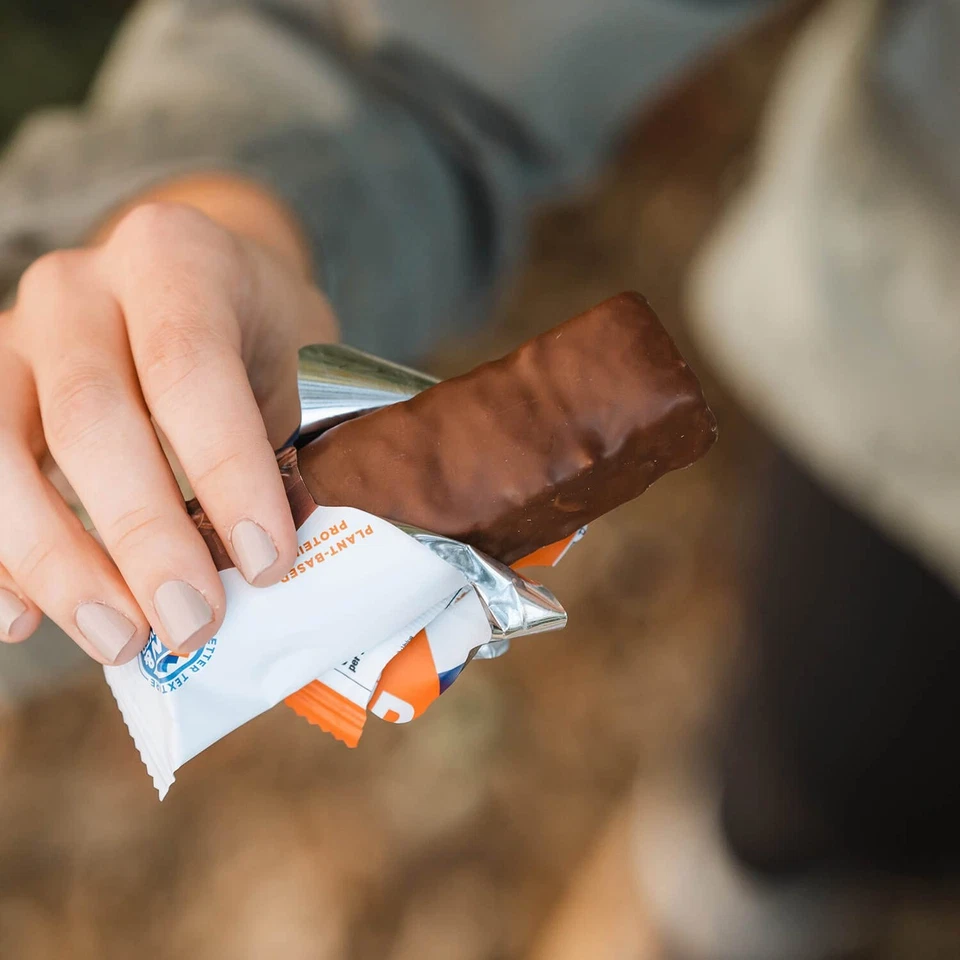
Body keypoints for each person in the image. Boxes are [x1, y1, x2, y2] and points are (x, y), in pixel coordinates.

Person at [0, 0, 957, 956]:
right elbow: (411, 53)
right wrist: (232, 224)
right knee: (821, 753)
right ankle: (740, 886)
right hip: (913, 393)